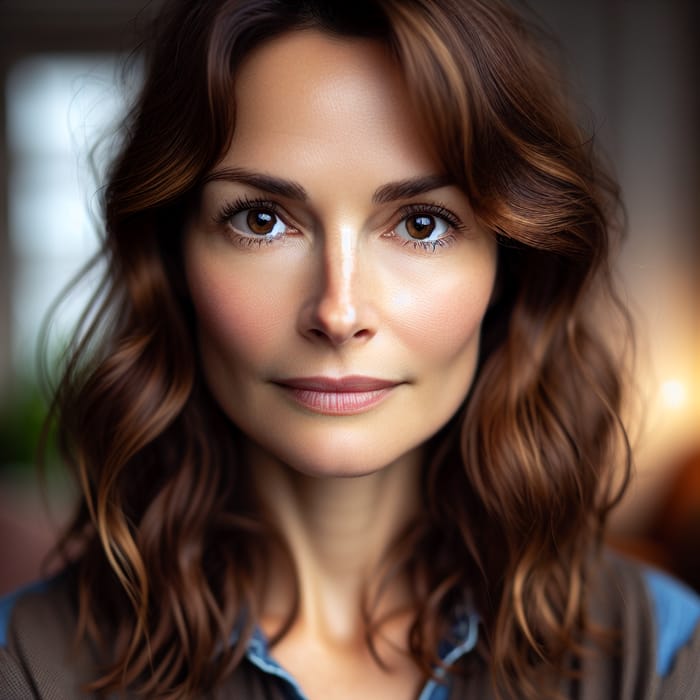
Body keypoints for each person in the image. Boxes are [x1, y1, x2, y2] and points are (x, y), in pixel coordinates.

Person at [1, 0, 699, 698]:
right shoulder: (28, 667)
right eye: (262, 219)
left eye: (422, 224)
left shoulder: (658, 655)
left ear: (508, 269)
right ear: (173, 256)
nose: (339, 312)